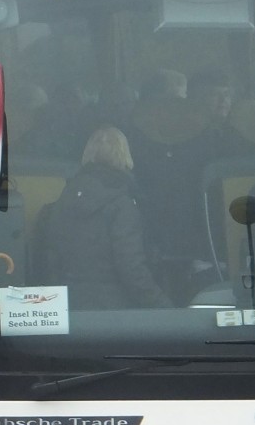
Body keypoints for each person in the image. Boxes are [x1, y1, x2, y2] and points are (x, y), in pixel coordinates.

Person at [33, 126, 173, 309]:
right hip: (115, 313)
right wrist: (162, 305)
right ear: (125, 155)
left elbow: (50, 258)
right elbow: (131, 266)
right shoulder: (122, 204)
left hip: (68, 307)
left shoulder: (62, 200)